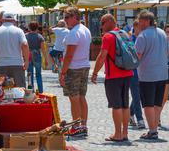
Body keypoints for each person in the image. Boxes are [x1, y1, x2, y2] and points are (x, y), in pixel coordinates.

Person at [91, 14, 134, 142]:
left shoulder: (108, 37)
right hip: (127, 73)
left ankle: (118, 134)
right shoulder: (125, 34)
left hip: (113, 75)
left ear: (109, 22)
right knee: (125, 104)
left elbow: (102, 56)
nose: (101, 26)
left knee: (116, 105)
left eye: (102, 23)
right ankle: (125, 133)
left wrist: (94, 73)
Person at [134, 11, 168, 141]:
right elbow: (166, 51)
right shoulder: (162, 33)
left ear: (147, 21)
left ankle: (152, 130)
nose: (139, 24)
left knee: (148, 103)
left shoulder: (142, 36)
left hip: (147, 74)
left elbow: (137, 56)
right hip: (162, 73)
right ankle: (154, 128)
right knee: (157, 103)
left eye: (140, 21)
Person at [59, 8, 91, 138]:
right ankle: (83, 125)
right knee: (82, 97)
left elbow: (69, 56)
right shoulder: (86, 30)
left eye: (67, 17)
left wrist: (63, 72)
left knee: (74, 98)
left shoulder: (74, 33)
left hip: (74, 68)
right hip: (84, 66)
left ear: (75, 17)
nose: (65, 20)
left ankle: (77, 126)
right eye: (65, 17)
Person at [0, 12, 29, 87]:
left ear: (2, 20)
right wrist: (26, 61)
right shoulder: (19, 31)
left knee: (1, 91)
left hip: (1, 64)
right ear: (14, 20)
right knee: (20, 90)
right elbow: (24, 44)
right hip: (17, 64)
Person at [129, 25, 146, 130]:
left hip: (143, 71)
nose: (136, 31)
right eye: (135, 29)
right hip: (133, 71)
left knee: (138, 96)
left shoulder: (143, 39)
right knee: (136, 95)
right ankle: (140, 119)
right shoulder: (131, 40)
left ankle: (130, 114)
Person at [26, 21, 45, 93]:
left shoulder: (26, 36)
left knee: (29, 74)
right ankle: (40, 91)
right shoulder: (40, 36)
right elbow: (43, 49)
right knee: (38, 74)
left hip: (28, 55)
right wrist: (45, 59)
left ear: (29, 27)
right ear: (37, 28)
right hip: (37, 55)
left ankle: (31, 90)